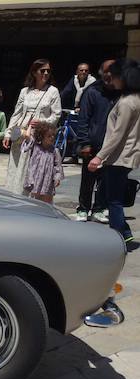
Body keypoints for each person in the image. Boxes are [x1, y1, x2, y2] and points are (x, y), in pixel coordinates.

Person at [89, 58, 140, 244]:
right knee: (112, 197)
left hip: (119, 157)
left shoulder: (127, 102)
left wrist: (99, 156)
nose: (111, 80)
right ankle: (124, 233)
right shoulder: (135, 99)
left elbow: (118, 134)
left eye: (115, 76)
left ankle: (118, 237)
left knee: (114, 200)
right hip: (126, 156)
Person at [2, 59, 62, 195]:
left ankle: (30, 200)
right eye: (42, 70)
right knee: (17, 167)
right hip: (20, 134)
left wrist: (41, 121)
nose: (46, 73)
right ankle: (14, 197)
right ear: (34, 72)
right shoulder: (25, 91)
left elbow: (56, 115)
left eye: (48, 71)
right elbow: (17, 113)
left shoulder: (53, 91)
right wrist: (8, 132)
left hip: (38, 136)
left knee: (33, 169)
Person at [74, 59, 117, 222]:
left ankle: (99, 208)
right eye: (106, 71)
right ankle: (83, 208)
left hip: (112, 144)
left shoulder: (120, 92)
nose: (109, 75)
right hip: (93, 143)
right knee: (88, 179)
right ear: (100, 72)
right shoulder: (93, 92)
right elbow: (83, 119)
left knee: (105, 180)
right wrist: (84, 143)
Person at [22, 122, 63, 203]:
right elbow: (27, 136)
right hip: (34, 180)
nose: (52, 138)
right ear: (42, 136)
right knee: (33, 200)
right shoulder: (35, 146)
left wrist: (57, 178)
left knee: (47, 201)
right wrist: (30, 126)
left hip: (47, 181)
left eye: (53, 136)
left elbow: (57, 166)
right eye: (49, 136)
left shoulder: (54, 151)